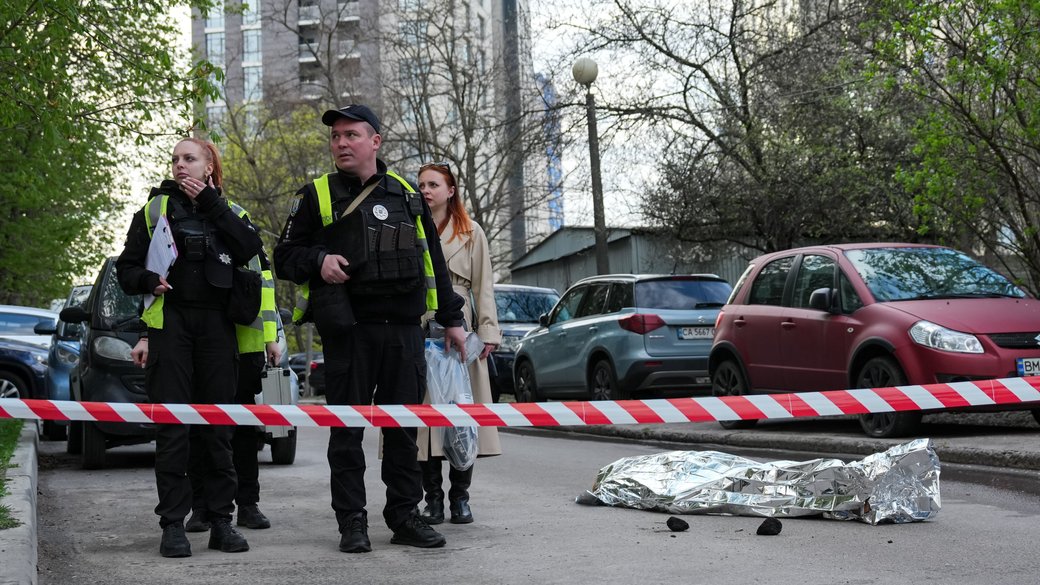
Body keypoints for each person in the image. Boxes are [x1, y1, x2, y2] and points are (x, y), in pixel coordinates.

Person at [273, 104, 467, 553]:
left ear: (375, 141)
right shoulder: (315, 195)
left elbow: (432, 261)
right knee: (347, 432)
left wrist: (452, 319)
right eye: (336, 136)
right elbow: (284, 257)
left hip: (403, 330)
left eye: (351, 135)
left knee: (403, 430)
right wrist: (319, 260)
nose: (341, 143)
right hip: (350, 331)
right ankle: (352, 522)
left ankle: (404, 517)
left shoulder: (406, 193)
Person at [119, 138, 263, 558]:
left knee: (218, 428)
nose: (180, 165)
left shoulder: (231, 211)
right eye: (175, 160)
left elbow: (250, 250)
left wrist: (214, 205)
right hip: (172, 326)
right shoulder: (155, 210)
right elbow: (126, 268)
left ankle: (221, 522)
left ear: (209, 166)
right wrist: (148, 281)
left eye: (189, 159)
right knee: (172, 429)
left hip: (218, 327)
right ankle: (172, 525)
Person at [184, 204, 281, 534]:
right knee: (200, 428)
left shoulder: (237, 217)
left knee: (242, 431)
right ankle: (201, 507)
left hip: (244, 345)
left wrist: (270, 338)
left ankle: (248, 504)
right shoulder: (183, 217)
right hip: (201, 345)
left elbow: (263, 282)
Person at [415, 162, 501, 525]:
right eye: (421, 184)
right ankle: (432, 499)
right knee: (426, 422)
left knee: (462, 417)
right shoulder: (411, 228)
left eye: (433, 184)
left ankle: (460, 498)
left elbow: (484, 285)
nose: (425, 190)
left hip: (461, 332)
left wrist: (488, 332)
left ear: (450, 191)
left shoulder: (471, 231)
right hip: (421, 328)